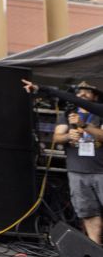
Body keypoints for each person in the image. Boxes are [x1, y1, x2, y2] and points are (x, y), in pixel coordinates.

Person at [51, 82, 103, 243]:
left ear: (95, 95)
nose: (82, 94)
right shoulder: (68, 114)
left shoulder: (99, 113)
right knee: (88, 212)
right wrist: (68, 136)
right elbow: (56, 137)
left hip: (100, 170)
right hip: (77, 171)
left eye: (87, 91)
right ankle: (97, 249)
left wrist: (84, 125)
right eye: (79, 91)